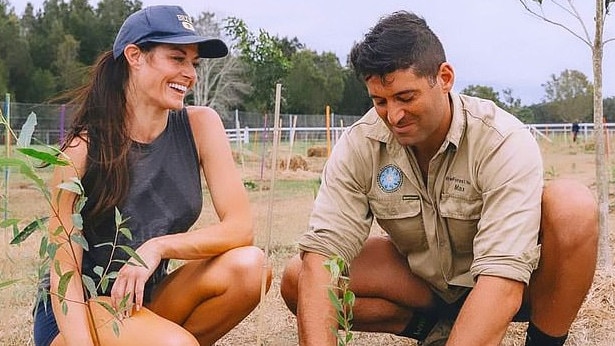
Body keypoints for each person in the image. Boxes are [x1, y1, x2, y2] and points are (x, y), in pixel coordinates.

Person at [280, 10, 598, 346]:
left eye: (406, 97)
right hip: (425, 286)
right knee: (300, 277)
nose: (394, 115)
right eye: (380, 101)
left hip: (508, 283)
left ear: (444, 77)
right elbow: (324, 257)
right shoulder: (361, 143)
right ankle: (433, 332)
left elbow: (502, 280)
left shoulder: (501, 139)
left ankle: (543, 342)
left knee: (572, 207)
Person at [32, 5, 271, 346]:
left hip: (141, 298)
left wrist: (156, 248)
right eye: (177, 58)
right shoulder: (81, 150)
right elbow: (63, 273)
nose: (190, 74)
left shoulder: (201, 125)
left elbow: (240, 228)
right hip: (78, 312)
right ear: (135, 56)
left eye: (194, 63)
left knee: (252, 267)